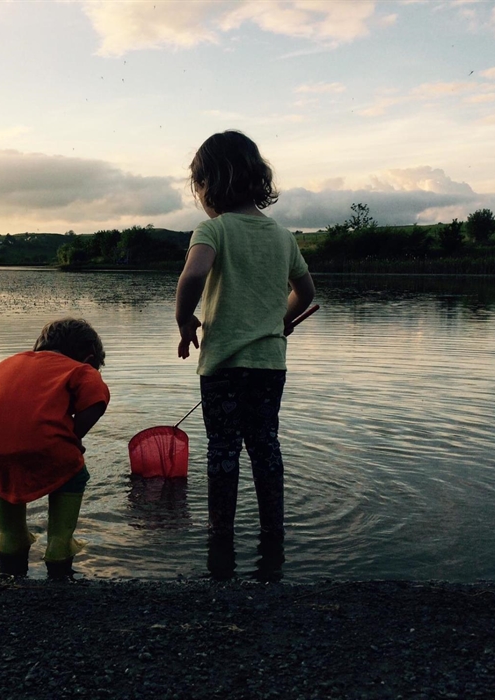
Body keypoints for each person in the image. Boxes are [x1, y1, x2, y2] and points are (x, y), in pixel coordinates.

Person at [175, 130, 315, 575]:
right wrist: (283, 320)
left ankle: (221, 535)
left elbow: (193, 275)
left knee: (222, 448)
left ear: (210, 183)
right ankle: (273, 531)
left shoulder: (214, 229)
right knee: (265, 445)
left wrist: (185, 319)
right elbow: (306, 291)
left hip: (223, 367)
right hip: (270, 366)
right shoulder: (282, 236)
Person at [0, 318, 109, 577]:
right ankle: (58, 546)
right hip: (48, 448)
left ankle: (11, 543)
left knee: (4, 478)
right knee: (74, 474)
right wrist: (74, 436)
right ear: (89, 357)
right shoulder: (81, 370)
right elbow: (96, 401)